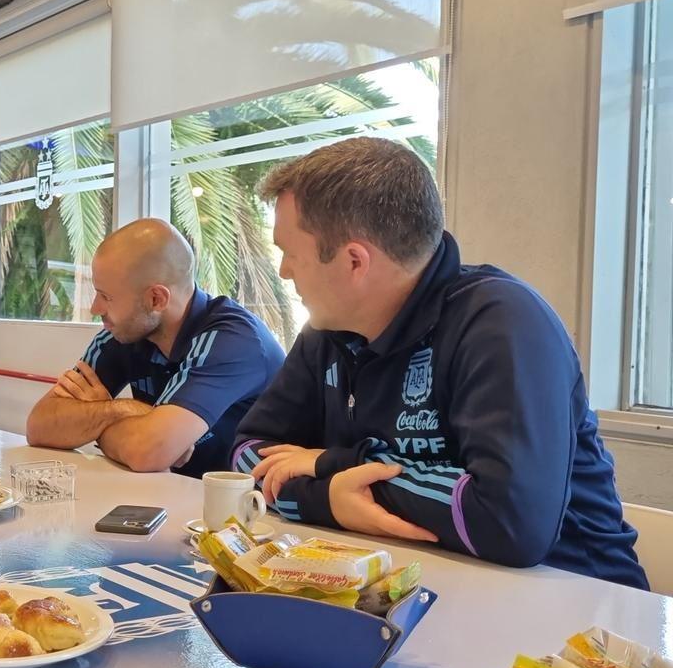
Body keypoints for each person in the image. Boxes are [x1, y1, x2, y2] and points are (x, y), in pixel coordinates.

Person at [232, 137, 647, 589]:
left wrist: (333, 467)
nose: (284, 272)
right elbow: (244, 457)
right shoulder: (328, 333)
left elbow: (509, 524)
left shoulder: (501, 322)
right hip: (416, 585)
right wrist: (328, 498)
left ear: (354, 261)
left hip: (575, 597)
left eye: (290, 254)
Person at [26, 219, 285, 477]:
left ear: (156, 299)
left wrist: (96, 420)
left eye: (106, 296)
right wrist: (121, 409)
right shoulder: (125, 333)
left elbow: (148, 453)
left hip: (249, 500)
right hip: (176, 489)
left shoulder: (233, 341)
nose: (95, 308)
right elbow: (39, 426)